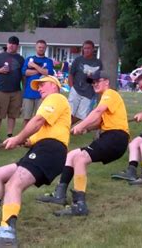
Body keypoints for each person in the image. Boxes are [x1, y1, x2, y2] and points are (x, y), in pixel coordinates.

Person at [0, 75, 70, 247]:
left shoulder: (57, 98)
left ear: (55, 86)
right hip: (41, 149)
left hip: (50, 150)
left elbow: (38, 121)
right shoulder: (51, 114)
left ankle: (7, 237)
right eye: (37, 86)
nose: (39, 88)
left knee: (13, 184)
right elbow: (34, 137)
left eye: (42, 84)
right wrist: (23, 141)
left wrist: (17, 137)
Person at [37, 71, 129, 216]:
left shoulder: (110, 93)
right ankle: (59, 194)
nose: (95, 84)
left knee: (80, 158)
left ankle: (79, 204)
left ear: (107, 82)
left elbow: (98, 112)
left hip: (116, 137)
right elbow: (99, 122)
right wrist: (86, 128)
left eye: (98, 81)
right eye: (93, 82)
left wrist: (80, 125)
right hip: (111, 137)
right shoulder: (105, 99)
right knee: (72, 155)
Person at [0, 36, 24, 144]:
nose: (11, 45)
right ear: (7, 44)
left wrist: (23, 91)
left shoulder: (20, 59)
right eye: (10, 43)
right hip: (2, 90)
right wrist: (0, 70)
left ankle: (10, 135)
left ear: (17, 46)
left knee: (13, 115)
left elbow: (23, 76)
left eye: (14, 44)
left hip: (16, 91)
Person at [68, 40, 102, 124]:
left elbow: (97, 80)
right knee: (69, 111)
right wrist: (71, 87)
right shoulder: (78, 60)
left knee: (81, 115)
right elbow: (71, 74)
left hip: (89, 92)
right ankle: (65, 127)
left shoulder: (98, 62)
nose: (86, 50)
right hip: (76, 89)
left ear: (93, 49)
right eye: (85, 48)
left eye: (88, 48)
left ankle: (68, 125)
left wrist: (91, 78)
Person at [21, 40, 54, 126]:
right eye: (39, 47)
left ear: (46, 48)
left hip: (43, 94)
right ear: (36, 47)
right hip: (29, 93)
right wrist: (40, 70)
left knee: (40, 118)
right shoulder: (29, 59)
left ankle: (38, 138)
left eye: (43, 47)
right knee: (26, 118)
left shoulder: (48, 61)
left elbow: (48, 72)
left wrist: (34, 66)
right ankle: (25, 137)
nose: (41, 49)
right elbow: (25, 72)